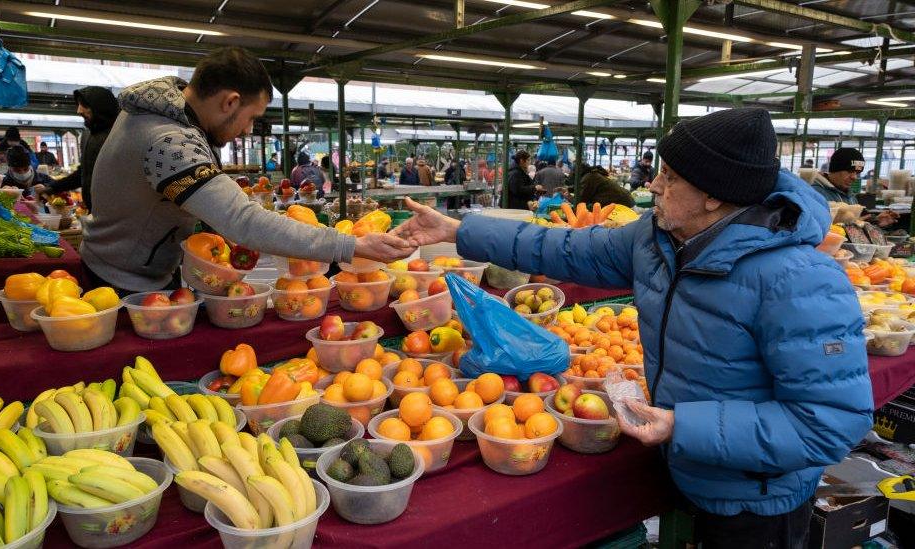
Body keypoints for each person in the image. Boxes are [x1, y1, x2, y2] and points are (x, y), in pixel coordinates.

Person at [393, 107, 872, 549]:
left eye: (671, 176)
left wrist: (684, 426)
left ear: (713, 195)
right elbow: (561, 248)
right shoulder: (657, 238)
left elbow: (831, 423)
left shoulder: (800, 281)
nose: (655, 185)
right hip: (684, 470)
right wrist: (458, 230)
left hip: (757, 500)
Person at [81, 47, 414, 293]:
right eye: (251, 117)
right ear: (230, 102)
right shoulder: (169, 142)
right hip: (123, 281)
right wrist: (350, 246)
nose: (248, 131)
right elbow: (242, 220)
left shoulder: (159, 112)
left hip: (127, 266)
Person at [34, 87, 119, 211]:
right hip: (96, 213)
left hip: (120, 214)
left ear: (100, 107)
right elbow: (83, 174)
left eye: (84, 105)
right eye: (78, 104)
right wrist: (52, 188)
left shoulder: (121, 136)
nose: (79, 110)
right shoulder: (88, 136)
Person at [811, 147, 897, 227]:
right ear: (835, 169)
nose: (854, 177)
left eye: (857, 173)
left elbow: (858, 222)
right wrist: (853, 224)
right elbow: (814, 227)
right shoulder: (815, 193)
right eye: (849, 171)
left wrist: (876, 221)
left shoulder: (850, 195)